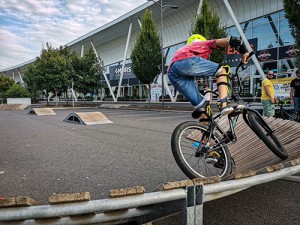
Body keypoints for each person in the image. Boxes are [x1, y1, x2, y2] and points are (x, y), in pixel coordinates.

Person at [167, 34, 249, 117]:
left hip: (172, 74)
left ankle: (205, 128)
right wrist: (243, 53)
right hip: (185, 61)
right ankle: (223, 103)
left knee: (201, 106)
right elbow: (233, 40)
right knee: (222, 71)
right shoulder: (203, 44)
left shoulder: (184, 49)